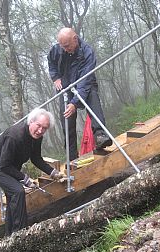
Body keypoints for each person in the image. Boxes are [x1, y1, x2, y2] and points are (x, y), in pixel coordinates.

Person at [0, 108, 62, 236]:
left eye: (44, 128)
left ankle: (9, 234)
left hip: (10, 165)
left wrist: (53, 172)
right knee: (18, 191)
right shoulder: (15, 136)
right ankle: (19, 233)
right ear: (31, 121)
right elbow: (4, 165)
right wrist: (24, 178)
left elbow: (36, 158)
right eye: (38, 126)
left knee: (12, 197)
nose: (40, 131)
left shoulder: (37, 137)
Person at [47, 27, 112, 161]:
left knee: (93, 103)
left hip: (85, 83)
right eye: (62, 46)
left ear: (75, 39)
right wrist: (55, 77)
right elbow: (51, 62)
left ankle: (100, 136)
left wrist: (75, 103)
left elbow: (84, 81)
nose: (65, 49)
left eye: (67, 46)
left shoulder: (87, 52)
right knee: (67, 119)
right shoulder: (57, 49)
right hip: (65, 86)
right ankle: (71, 155)